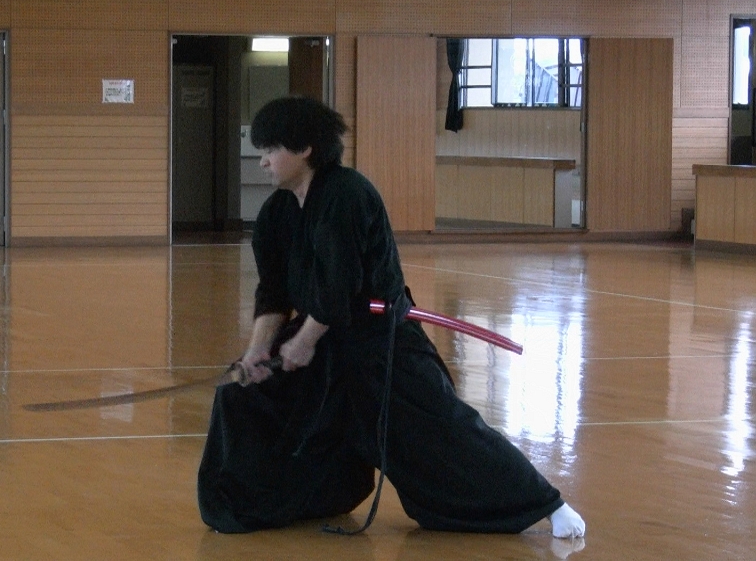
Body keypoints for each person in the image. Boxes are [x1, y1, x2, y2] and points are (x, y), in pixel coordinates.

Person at [197, 96, 585, 539]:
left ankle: (546, 504)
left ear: (304, 149)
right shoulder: (276, 214)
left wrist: (302, 343)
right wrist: (257, 352)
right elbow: (273, 293)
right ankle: (275, 502)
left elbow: (338, 287)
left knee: (443, 430)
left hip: (380, 343)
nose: (263, 161)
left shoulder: (348, 194)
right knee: (244, 397)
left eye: (271, 150)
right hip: (321, 340)